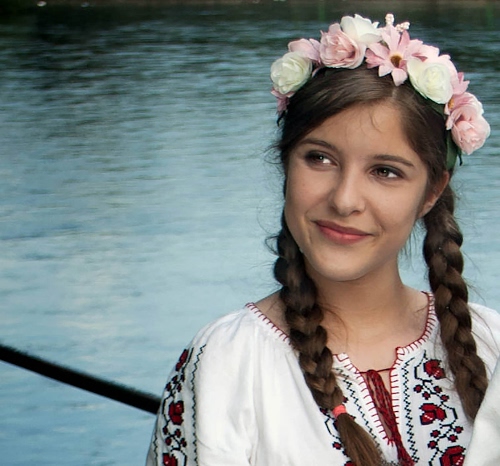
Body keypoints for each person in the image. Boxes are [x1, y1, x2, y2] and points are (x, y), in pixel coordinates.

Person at [146, 13, 500, 466]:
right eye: (319, 158)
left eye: (385, 171)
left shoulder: (489, 345)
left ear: (431, 192)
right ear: (285, 165)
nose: (345, 200)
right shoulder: (229, 362)